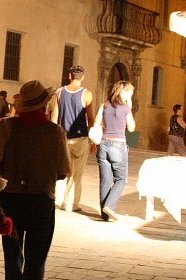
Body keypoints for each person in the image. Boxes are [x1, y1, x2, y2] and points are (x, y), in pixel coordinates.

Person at [0, 81, 70, 280]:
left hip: (11, 199)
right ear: (44, 105)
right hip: (40, 201)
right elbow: (63, 171)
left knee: (12, 252)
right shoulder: (54, 132)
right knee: (36, 261)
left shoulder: (5, 126)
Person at [49, 64, 94, 212]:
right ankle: (70, 204)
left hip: (62, 137)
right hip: (80, 138)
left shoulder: (60, 92)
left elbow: (54, 116)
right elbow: (91, 118)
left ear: (69, 75)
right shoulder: (87, 94)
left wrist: (53, 136)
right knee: (76, 173)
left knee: (60, 170)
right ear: (83, 77)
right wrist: (93, 140)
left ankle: (57, 199)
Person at [95, 80, 136, 221]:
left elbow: (96, 122)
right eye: (130, 93)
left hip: (103, 144)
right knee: (121, 179)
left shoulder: (104, 105)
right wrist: (129, 108)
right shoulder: (125, 108)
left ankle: (104, 214)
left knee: (105, 180)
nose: (131, 96)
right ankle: (110, 206)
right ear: (123, 92)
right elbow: (131, 128)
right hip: (118, 146)